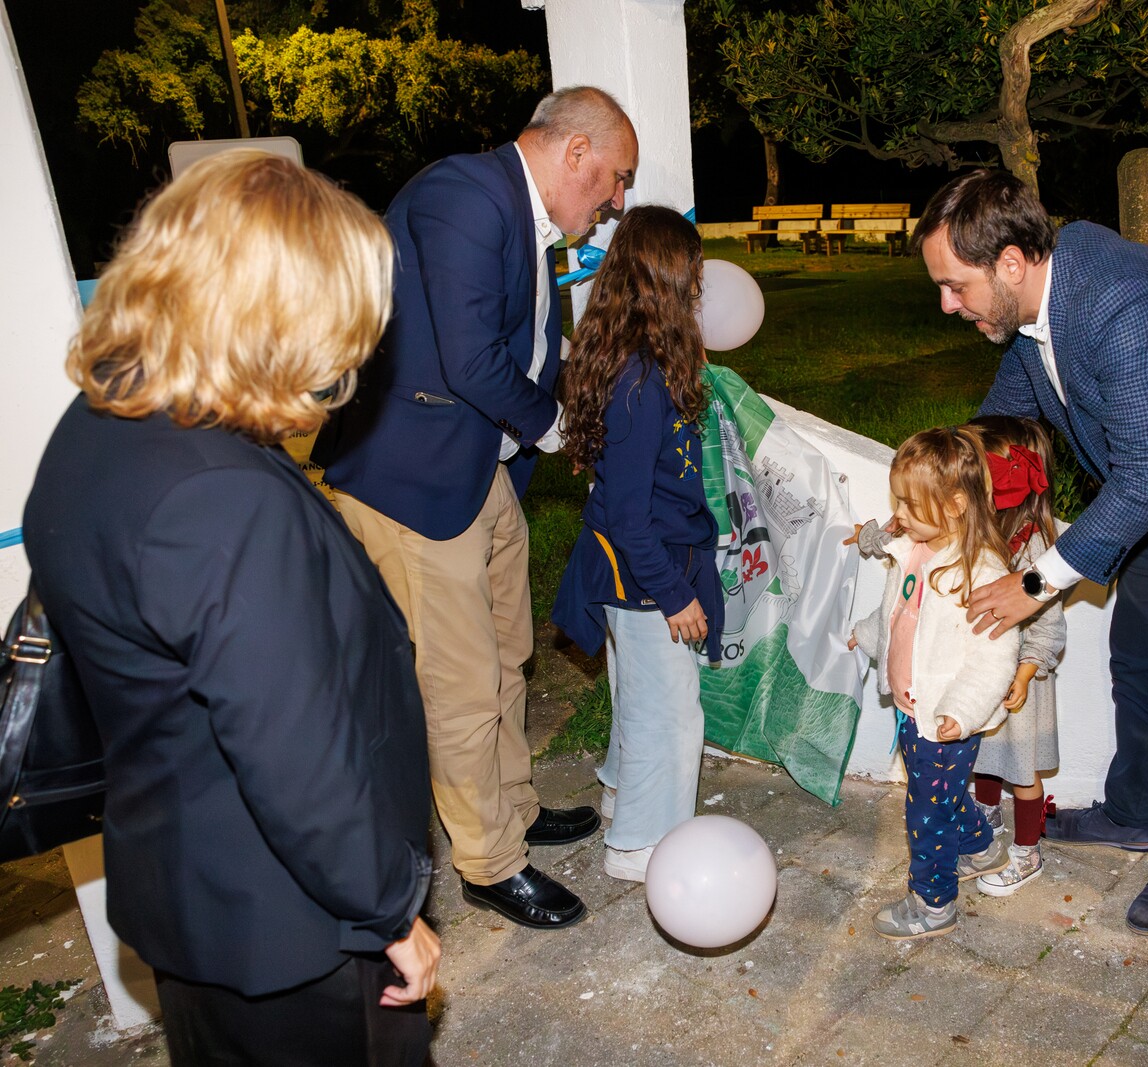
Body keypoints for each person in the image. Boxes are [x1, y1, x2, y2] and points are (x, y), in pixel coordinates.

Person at [22, 152, 439, 1065]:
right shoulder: (221, 494)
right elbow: (291, 755)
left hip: (192, 894)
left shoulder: (97, 424)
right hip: (295, 923)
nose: (349, 361)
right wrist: (389, 907)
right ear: (274, 320)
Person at [313, 86, 640, 929]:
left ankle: (516, 807)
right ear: (576, 153)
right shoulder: (466, 193)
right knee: (459, 685)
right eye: (615, 178)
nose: (616, 200)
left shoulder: (520, 214)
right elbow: (470, 360)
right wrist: (562, 428)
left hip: (479, 469)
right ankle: (489, 862)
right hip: (413, 483)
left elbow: (524, 345)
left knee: (508, 652)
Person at [911, 169, 1148, 936]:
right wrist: (937, 492)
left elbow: (1146, 479)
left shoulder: (1122, 304)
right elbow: (1002, 420)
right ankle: (1132, 814)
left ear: (1009, 261)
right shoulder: (1037, 305)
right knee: (1137, 671)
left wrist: (1034, 583)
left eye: (955, 285)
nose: (947, 305)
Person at [549, 206, 722, 883]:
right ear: (667, 283)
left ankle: (624, 796)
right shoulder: (640, 383)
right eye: (694, 276)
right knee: (673, 717)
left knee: (640, 697)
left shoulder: (635, 365)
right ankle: (643, 847)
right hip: (644, 577)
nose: (701, 288)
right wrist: (673, 594)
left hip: (634, 571)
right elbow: (630, 515)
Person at [849, 428, 1021, 940]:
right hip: (910, 709)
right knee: (939, 795)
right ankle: (982, 847)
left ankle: (934, 902)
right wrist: (866, 634)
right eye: (896, 499)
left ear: (955, 505)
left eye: (908, 503)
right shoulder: (914, 552)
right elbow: (899, 616)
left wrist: (963, 711)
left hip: (945, 719)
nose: (896, 514)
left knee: (925, 813)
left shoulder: (979, 572)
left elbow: (995, 656)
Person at [963, 416, 1066, 897]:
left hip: (1019, 680)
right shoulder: (980, 527)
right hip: (985, 671)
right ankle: (985, 824)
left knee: (1022, 771)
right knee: (983, 752)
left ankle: (1028, 851)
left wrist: (1024, 676)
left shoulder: (1036, 546)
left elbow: (1047, 625)